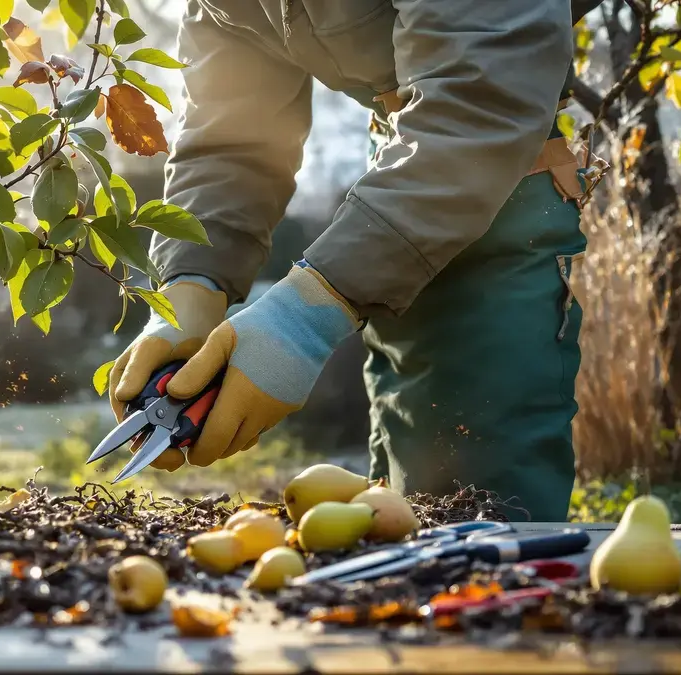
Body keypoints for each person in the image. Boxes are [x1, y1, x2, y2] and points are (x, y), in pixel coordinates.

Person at [107, 0, 602, 522]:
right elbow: (231, 136)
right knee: (404, 512)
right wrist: (189, 288)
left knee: (487, 518)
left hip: (499, 201)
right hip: (396, 197)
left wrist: (304, 316)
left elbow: (482, 100)